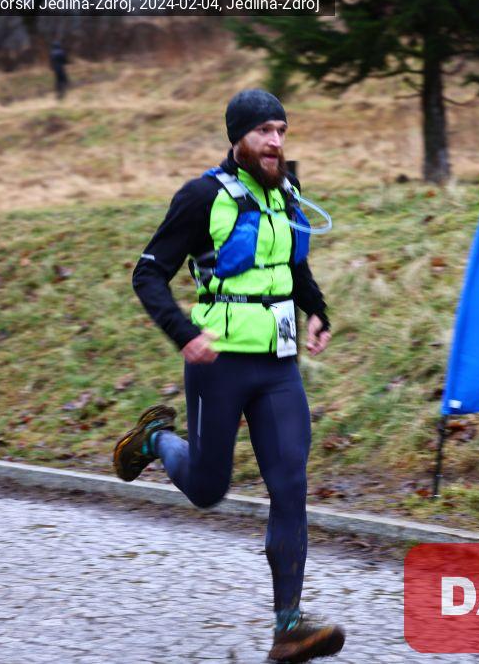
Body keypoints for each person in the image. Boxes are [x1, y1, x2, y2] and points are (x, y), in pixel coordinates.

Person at [116, 89, 343, 663]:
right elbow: (148, 274)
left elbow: (292, 264)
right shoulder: (201, 197)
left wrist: (317, 310)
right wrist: (183, 333)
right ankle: (156, 440)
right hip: (218, 364)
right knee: (208, 489)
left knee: (289, 485)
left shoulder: (286, 191)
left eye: (282, 131)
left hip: (278, 367)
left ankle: (288, 627)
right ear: (238, 137)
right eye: (265, 131)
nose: (276, 142)